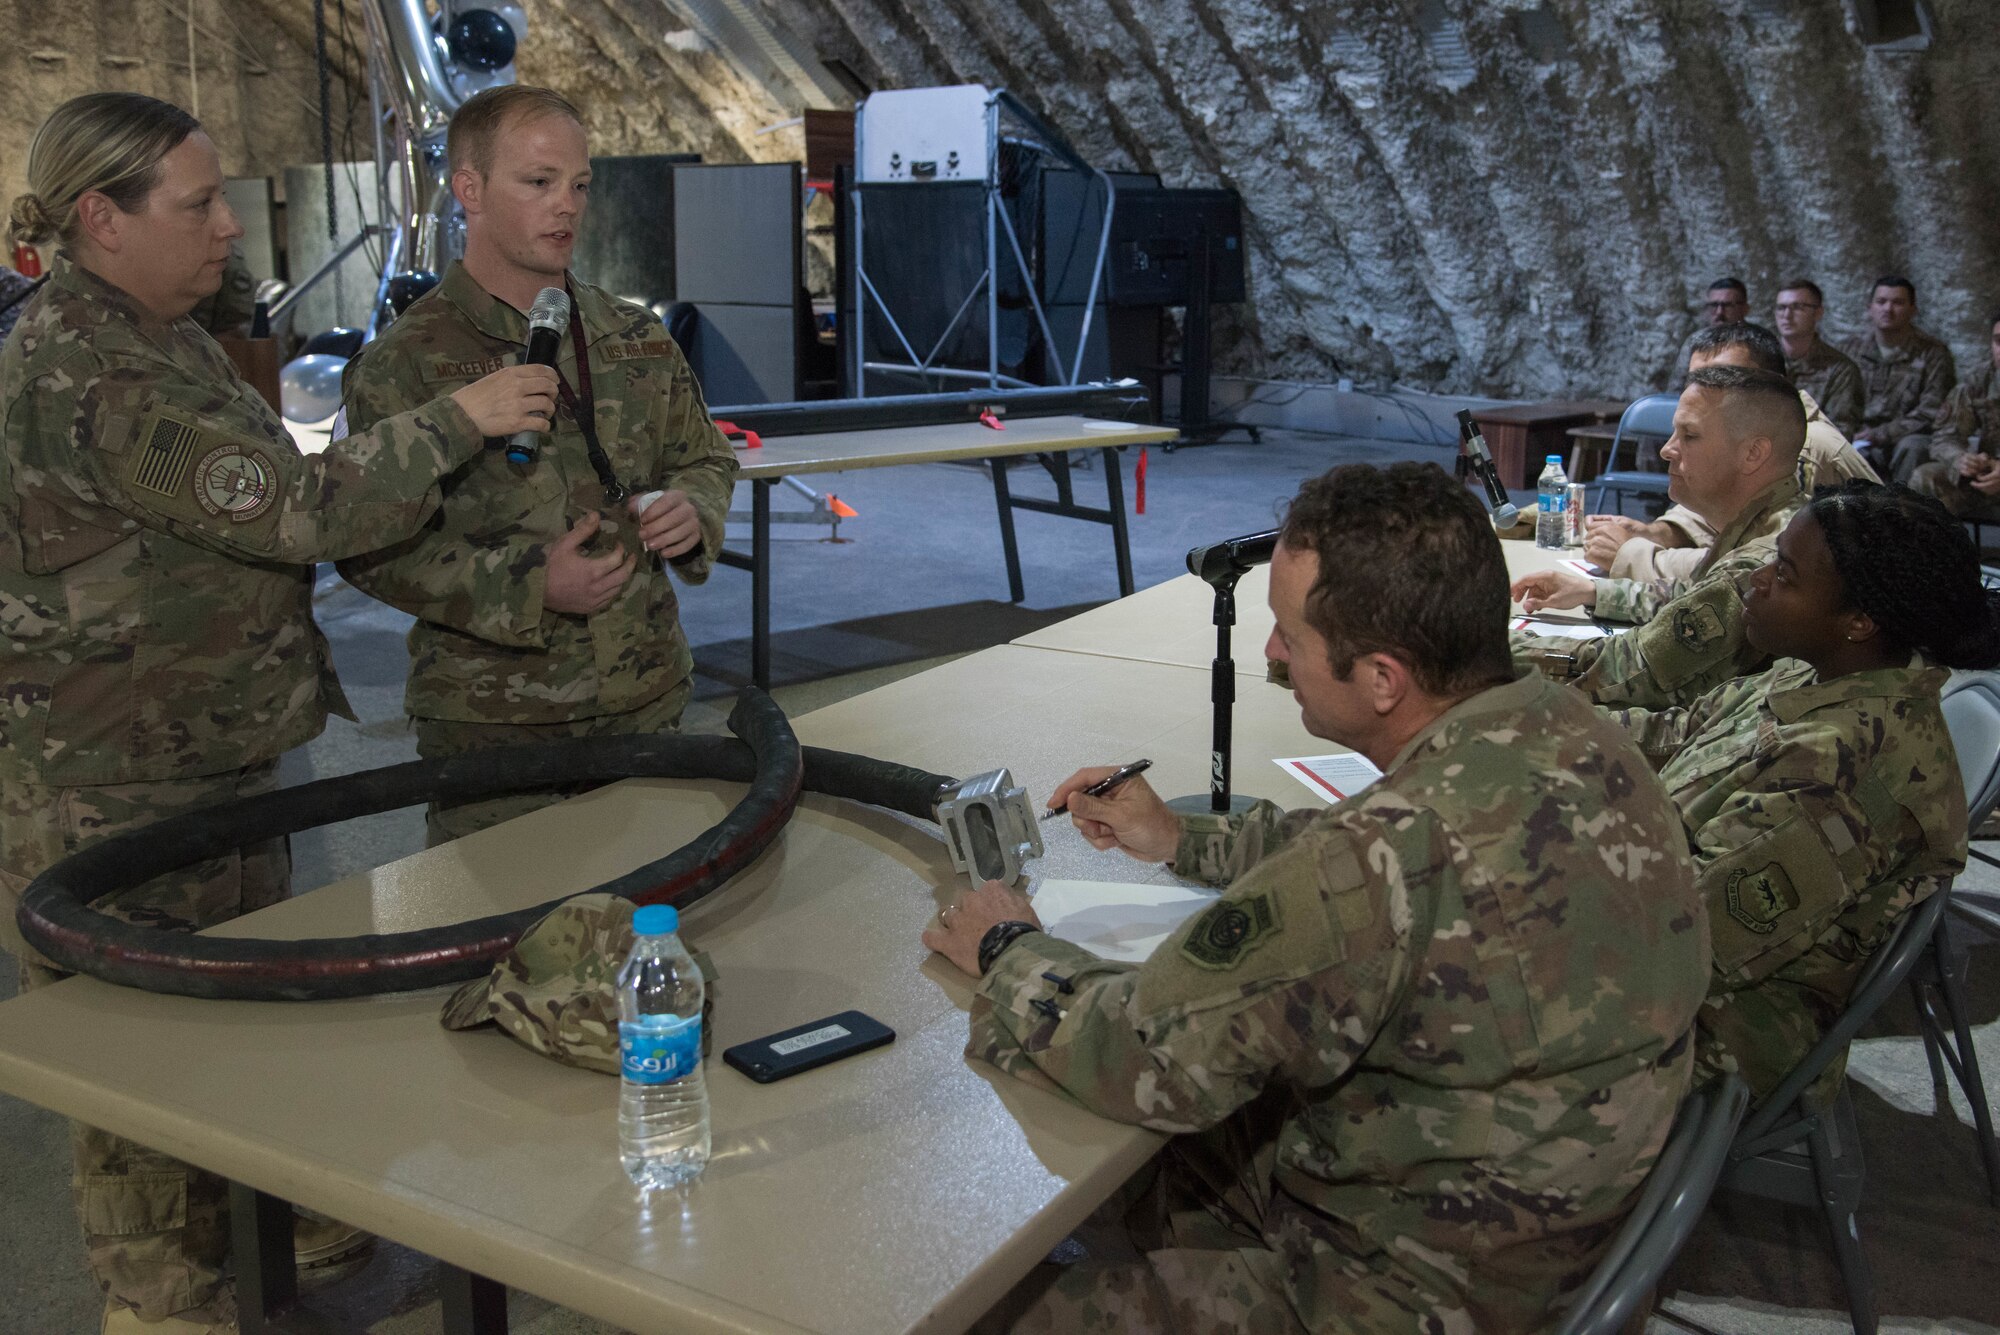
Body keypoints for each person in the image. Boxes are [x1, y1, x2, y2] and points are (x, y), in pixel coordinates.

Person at [0, 93, 555, 1334]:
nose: (224, 228)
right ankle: (162, 1304)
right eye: (196, 205)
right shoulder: (91, 370)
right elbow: (296, 509)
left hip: (204, 747)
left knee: (245, 1003)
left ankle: (283, 1227)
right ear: (101, 216)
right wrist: (455, 417)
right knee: (134, 1051)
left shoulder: (164, 335)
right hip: (111, 775)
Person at [928, 463, 1708, 1334]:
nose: (1269, 654)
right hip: (1558, 1235)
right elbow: (1390, 860)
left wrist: (1009, 949)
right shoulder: (1577, 734)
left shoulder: (1375, 861)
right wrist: (1183, 838)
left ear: (1381, 678)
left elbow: (1143, 1055)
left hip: (1405, 1297)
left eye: (1288, 636)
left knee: (986, 1312)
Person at [338, 85, 739, 844]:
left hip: (644, 696)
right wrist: (528, 584)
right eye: (539, 182)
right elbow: (364, 546)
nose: (568, 207)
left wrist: (693, 508)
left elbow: (703, 456)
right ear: (469, 190)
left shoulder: (633, 334)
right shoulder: (405, 365)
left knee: (650, 924)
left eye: (580, 185)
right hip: (498, 727)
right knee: (506, 940)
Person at [1606, 483, 1994, 1100]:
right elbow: (1675, 732)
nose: (1755, 582)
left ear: (1859, 621)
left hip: (1717, 1026)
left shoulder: (1840, 773)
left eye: (1784, 575)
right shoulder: (1816, 671)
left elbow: (1679, 944)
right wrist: (1537, 727)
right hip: (1654, 906)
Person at [1513, 365, 1804, 709]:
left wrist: (1501, 652)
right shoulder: (1772, 524)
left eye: (1689, 436)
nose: (1667, 449)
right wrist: (1595, 591)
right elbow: (1692, 598)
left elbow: (1635, 670)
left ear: (1753, 454)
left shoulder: (1762, 562)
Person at [1585, 322, 1875, 583]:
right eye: (1696, 379)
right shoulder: (1731, 432)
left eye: (1724, 377)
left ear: (1764, 385)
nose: (1702, 390)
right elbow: (1723, 513)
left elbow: (1755, 568)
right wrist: (1653, 533)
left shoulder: (1801, 447)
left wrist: (1633, 556)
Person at [1841, 275, 1957, 482]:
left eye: (1898, 303)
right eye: (1881, 302)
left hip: (1909, 436)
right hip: (1860, 435)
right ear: (1870, 307)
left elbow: (1932, 411)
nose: (1888, 309)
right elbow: (1840, 402)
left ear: (1913, 309)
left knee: (1912, 448)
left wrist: (1881, 434)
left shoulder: (1933, 353)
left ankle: (1902, 511)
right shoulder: (1851, 349)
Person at [1911, 310, 2000, 525]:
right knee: (1925, 478)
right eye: (1999, 341)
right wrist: (1960, 459)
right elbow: (1945, 435)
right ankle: (1931, 556)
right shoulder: (1979, 381)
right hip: (1986, 476)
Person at [1772, 278, 1864, 437]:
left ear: (1818, 313)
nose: (1787, 315)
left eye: (1798, 307)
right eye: (1781, 308)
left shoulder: (1839, 369)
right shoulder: (1760, 360)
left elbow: (1840, 431)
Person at [1668, 275, 1750, 388]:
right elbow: (1676, 387)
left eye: (1727, 305)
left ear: (1745, 308)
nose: (1719, 312)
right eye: (1714, 305)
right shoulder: (1695, 341)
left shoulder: (1757, 340)